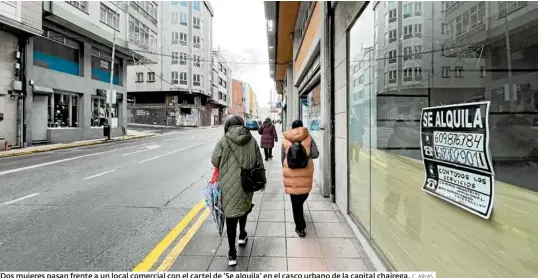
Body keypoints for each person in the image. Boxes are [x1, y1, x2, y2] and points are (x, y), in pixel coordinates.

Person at [211, 116, 264, 266]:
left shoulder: (223, 140)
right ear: (242, 124)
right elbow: (259, 161)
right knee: (244, 208)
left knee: (231, 216)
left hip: (228, 185)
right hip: (247, 182)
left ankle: (232, 254)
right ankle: (242, 235)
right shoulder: (251, 140)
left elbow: (215, 161)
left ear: (227, 126)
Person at [281, 120, 319, 237]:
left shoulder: (286, 139)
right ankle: (300, 223)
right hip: (305, 173)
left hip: (291, 174)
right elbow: (315, 154)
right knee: (302, 196)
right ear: (302, 127)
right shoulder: (309, 138)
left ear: (292, 128)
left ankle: (300, 228)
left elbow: (283, 159)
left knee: (295, 203)